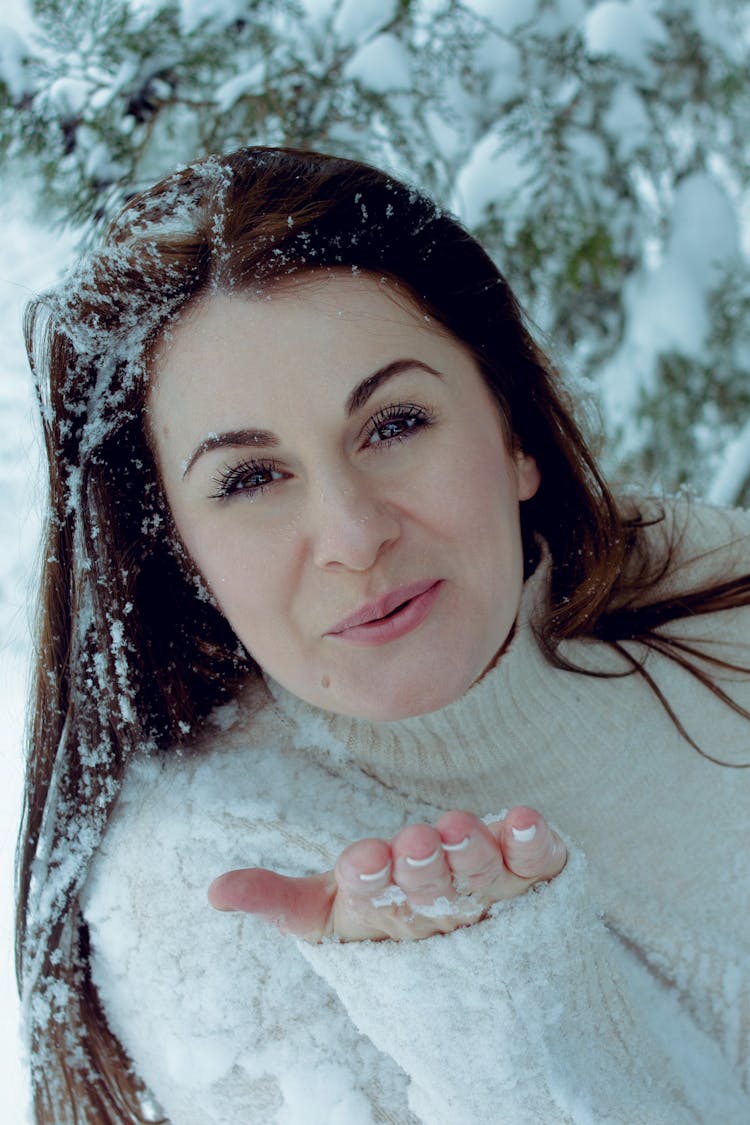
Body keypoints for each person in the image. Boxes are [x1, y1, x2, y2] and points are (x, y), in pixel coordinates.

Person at [16, 145, 750, 1125]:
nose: (357, 538)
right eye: (248, 479)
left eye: (395, 423)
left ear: (513, 431)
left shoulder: (701, 581)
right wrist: (475, 995)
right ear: (181, 556)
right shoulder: (214, 893)